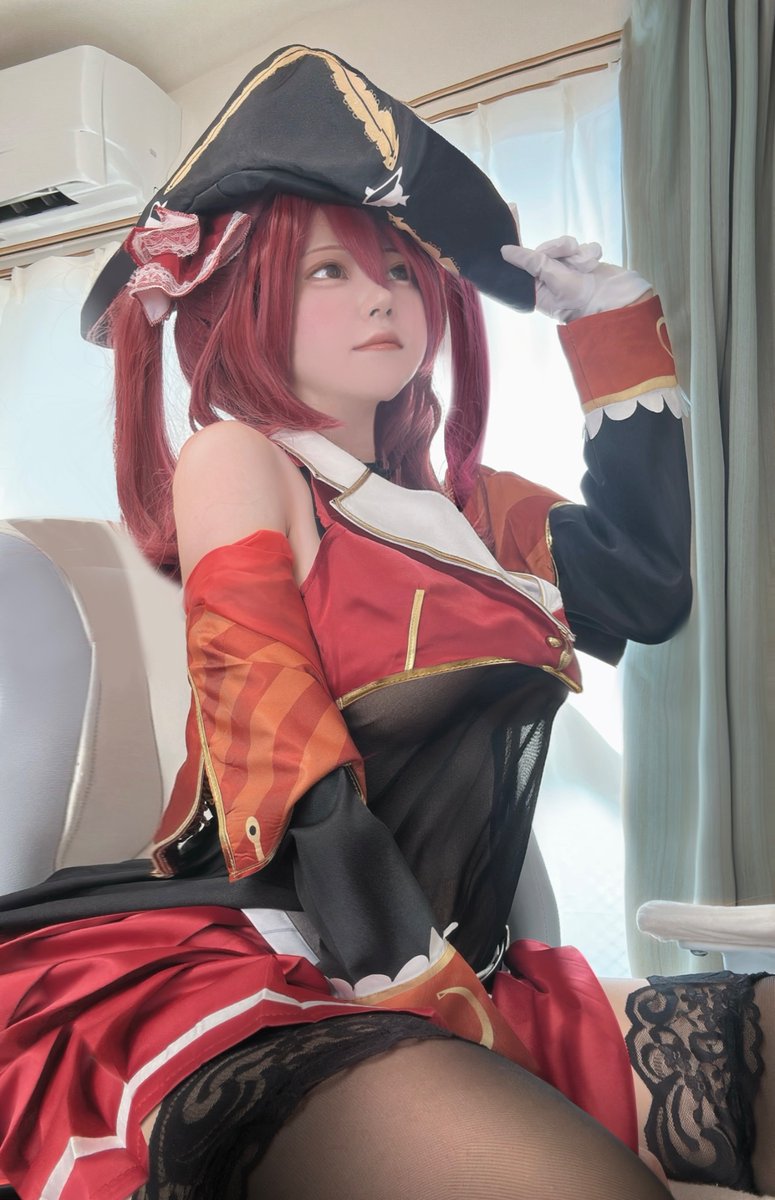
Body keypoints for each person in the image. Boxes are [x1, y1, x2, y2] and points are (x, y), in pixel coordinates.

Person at [0, 44, 770, 1200]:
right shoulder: (241, 458)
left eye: (400, 271)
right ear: (245, 298)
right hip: (286, 967)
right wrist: (406, 979)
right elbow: (272, 738)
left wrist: (609, 333)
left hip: (462, 971)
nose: (380, 298)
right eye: (328, 271)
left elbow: (644, 591)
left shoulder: (469, 506)